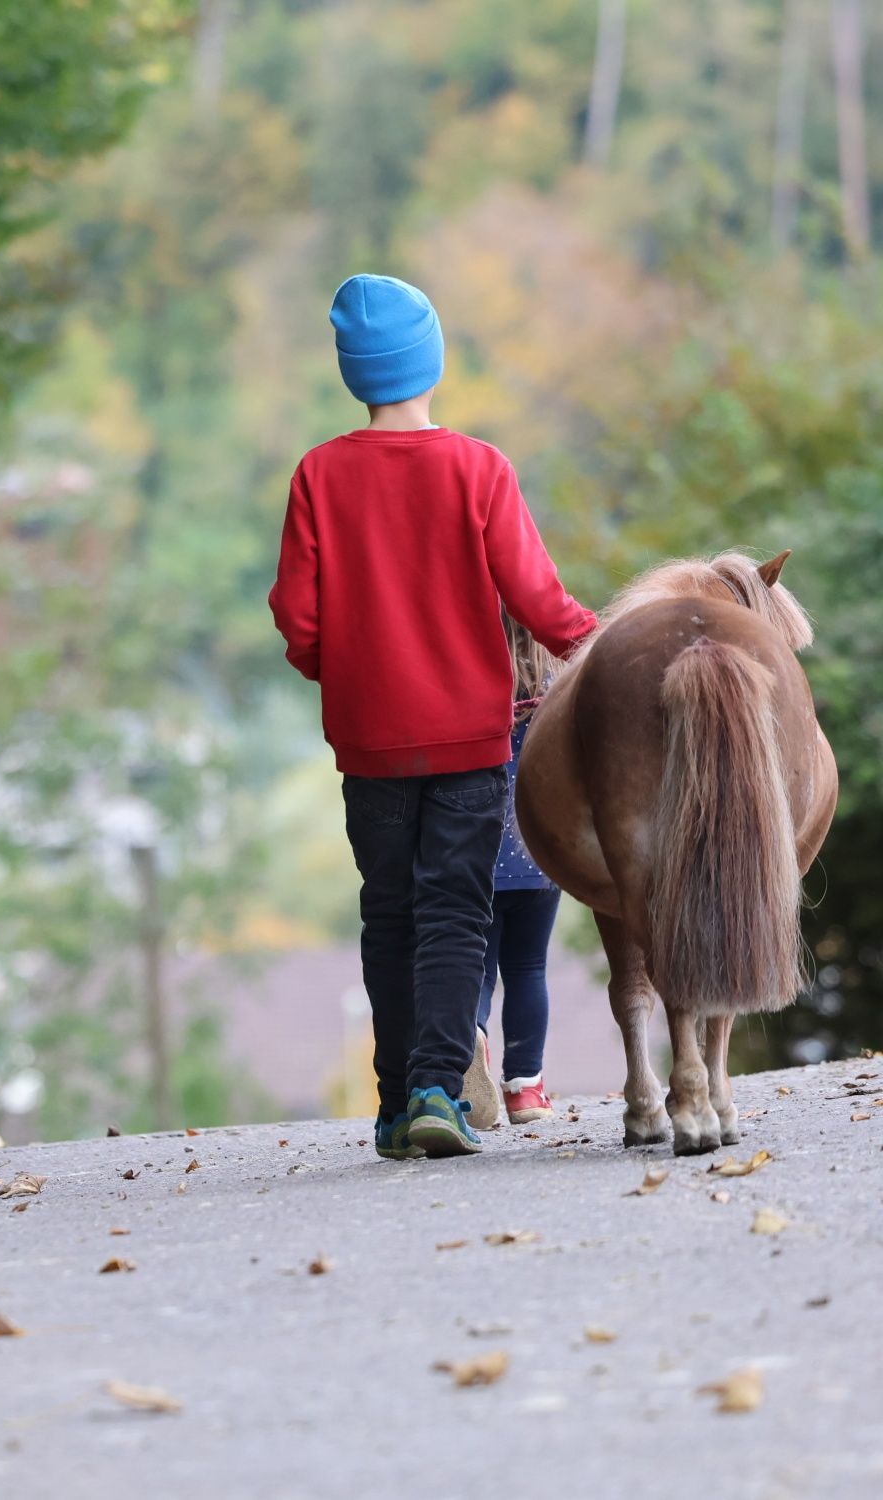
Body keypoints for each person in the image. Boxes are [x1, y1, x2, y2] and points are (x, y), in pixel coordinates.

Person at [268, 274, 595, 1162]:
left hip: (370, 742)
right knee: (458, 911)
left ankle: (390, 1107)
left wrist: (342, 675)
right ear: (431, 364)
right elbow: (536, 596)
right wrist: (596, 641)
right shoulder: (479, 468)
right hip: (470, 737)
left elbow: (297, 616)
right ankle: (433, 1094)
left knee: (390, 911)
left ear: (354, 373)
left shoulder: (318, 474)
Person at [477, 616, 560, 1124]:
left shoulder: (473, 674)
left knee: (479, 969)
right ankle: (525, 1090)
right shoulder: (552, 690)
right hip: (537, 852)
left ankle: (472, 1048)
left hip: (475, 854)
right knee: (528, 969)